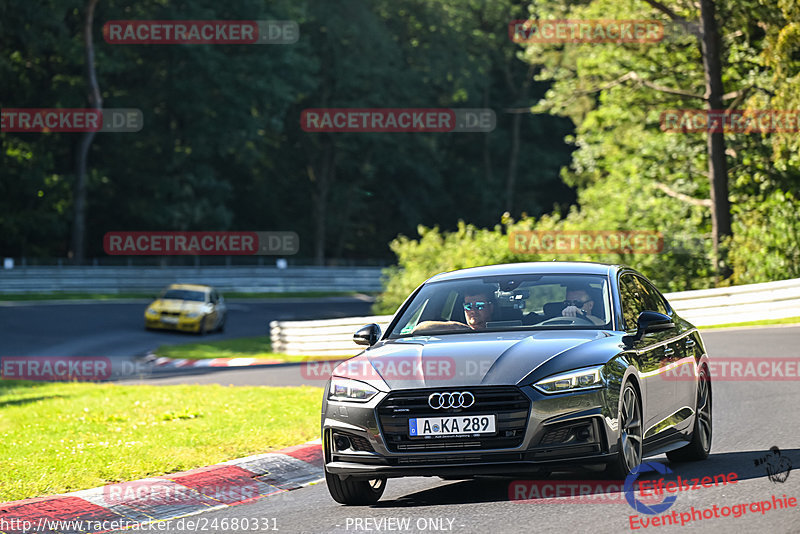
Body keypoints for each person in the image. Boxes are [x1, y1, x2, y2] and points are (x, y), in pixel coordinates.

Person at [411, 286, 495, 333]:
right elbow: (418, 329)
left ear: (491, 308)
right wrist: (455, 327)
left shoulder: (503, 333)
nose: (473, 310)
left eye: (479, 306)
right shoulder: (455, 332)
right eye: (468, 306)